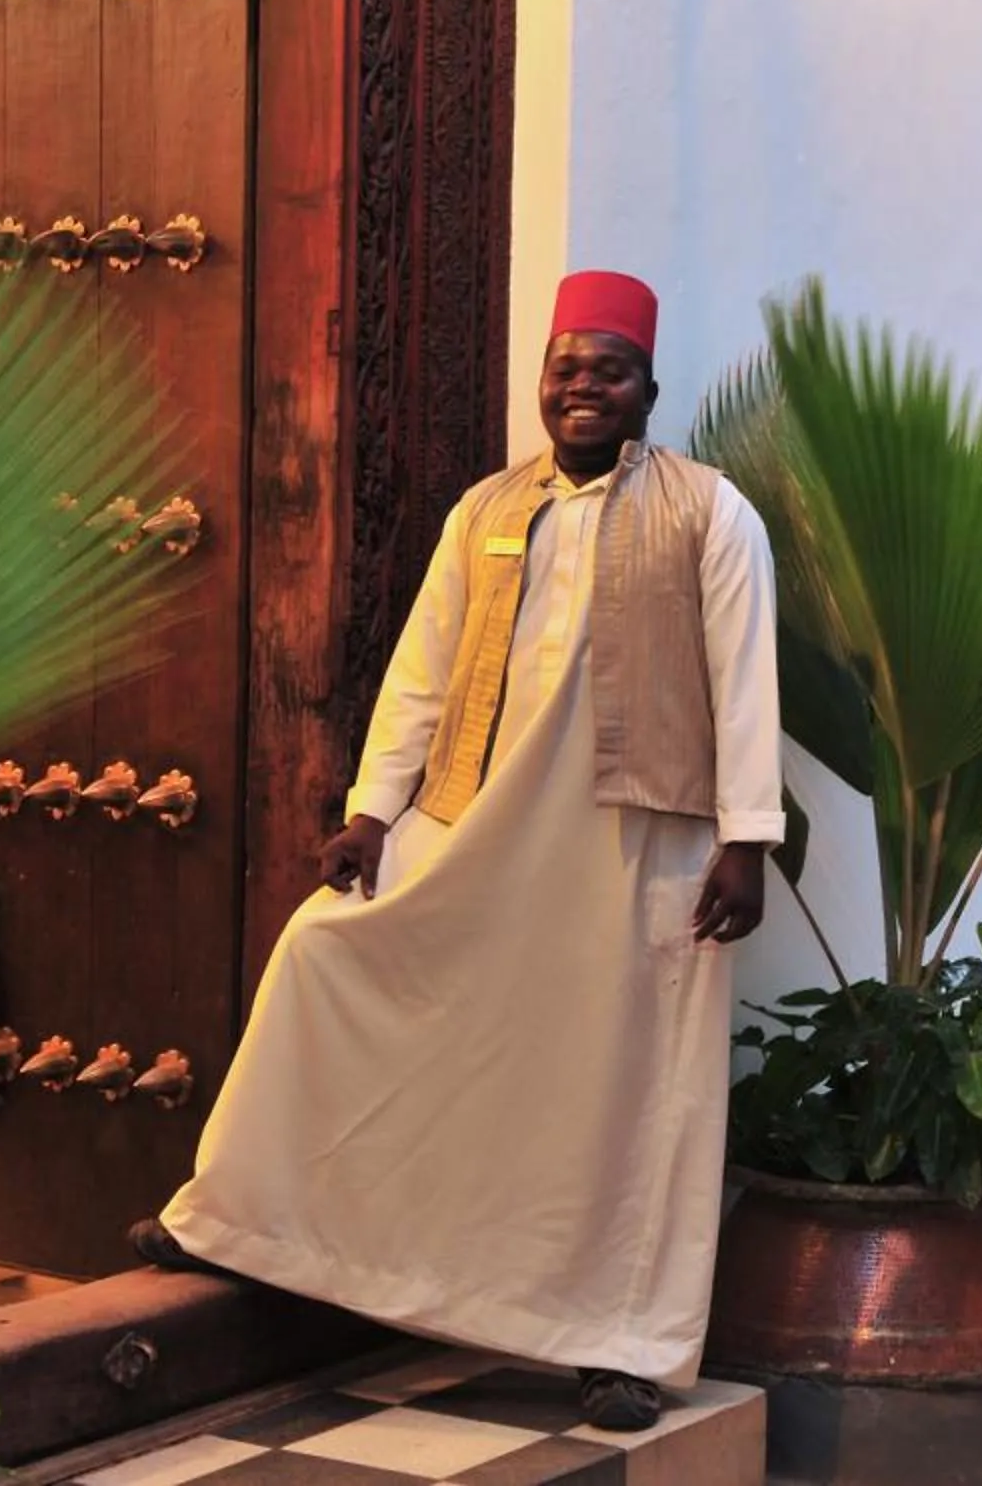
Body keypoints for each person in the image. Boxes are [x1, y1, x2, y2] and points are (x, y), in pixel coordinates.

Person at [132, 270, 781, 1433]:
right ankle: (238, 1221)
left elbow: (744, 679)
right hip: (475, 812)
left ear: (649, 389)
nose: (581, 389)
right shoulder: (485, 510)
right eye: (564, 369)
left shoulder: (710, 511)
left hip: (634, 834)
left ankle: (623, 1342)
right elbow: (424, 667)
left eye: (608, 372)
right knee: (327, 958)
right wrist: (374, 812)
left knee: (629, 1079)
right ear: (542, 381)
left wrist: (747, 839)